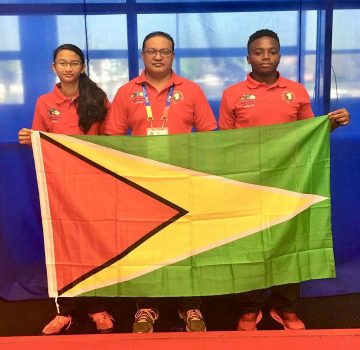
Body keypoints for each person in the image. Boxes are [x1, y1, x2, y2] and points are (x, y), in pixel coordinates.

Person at [219, 29, 350, 331]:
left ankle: (285, 308)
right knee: (249, 246)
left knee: (289, 245)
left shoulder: (297, 91)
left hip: (289, 183)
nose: (266, 57)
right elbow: (224, 144)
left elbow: (310, 135)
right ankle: (249, 309)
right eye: (259, 51)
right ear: (248, 56)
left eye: (272, 51)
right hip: (248, 183)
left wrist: (331, 124)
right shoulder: (232, 94)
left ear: (279, 55)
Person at [104, 31, 217, 333]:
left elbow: (209, 136)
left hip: (184, 180)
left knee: (187, 244)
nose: (157, 56)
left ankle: (189, 305)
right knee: (145, 245)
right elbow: (112, 140)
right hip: (142, 183)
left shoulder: (191, 90)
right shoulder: (127, 92)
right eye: (152, 51)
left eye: (164, 51)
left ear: (172, 56)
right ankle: (146, 307)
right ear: (142, 55)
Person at [18, 44, 114, 335]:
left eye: (74, 63)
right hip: (59, 187)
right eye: (63, 63)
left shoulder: (98, 99)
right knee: (63, 248)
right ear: (54, 67)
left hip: (94, 186)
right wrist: (29, 138)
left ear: (83, 66)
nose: (69, 68)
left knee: (94, 247)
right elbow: (40, 140)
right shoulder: (44, 102)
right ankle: (66, 310)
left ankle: (97, 306)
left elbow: (112, 142)